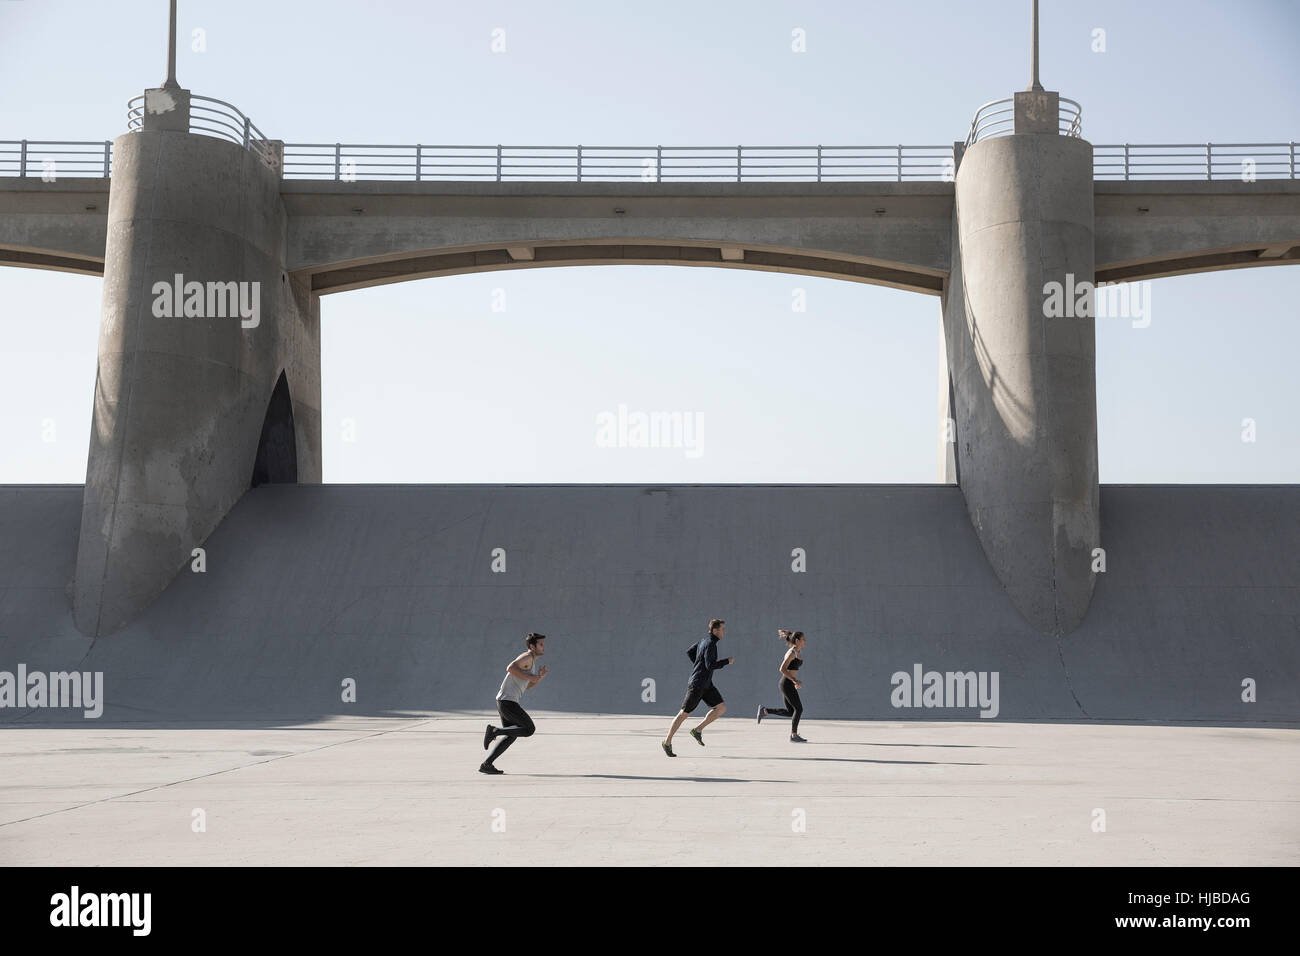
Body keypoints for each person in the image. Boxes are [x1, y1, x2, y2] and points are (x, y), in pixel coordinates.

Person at [662, 618, 733, 757]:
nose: (724, 631)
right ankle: (667, 742)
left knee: (721, 707)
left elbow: (690, 652)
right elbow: (710, 665)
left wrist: (698, 665)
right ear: (715, 630)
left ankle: (698, 730)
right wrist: (727, 661)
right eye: (722, 629)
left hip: (706, 684)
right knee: (684, 714)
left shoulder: (703, 641)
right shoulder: (711, 644)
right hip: (697, 684)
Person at [480, 633, 548, 774]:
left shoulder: (532, 663)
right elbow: (510, 668)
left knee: (511, 735)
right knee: (529, 729)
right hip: (507, 701)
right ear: (532, 646)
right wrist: (531, 676)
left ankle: (487, 764)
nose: (543, 647)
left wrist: (538, 678)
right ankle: (495, 731)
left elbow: (527, 686)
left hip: (505, 701)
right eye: (540, 644)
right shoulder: (527, 657)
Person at [757, 629, 806, 742]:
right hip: (786, 683)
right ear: (797, 641)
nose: (805, 641)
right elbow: (782, 669)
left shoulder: (798, 652)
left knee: (791, 712)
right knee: (798, 709)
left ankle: (765, 711)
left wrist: (795, 681)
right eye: (803, 639)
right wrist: (794, 680)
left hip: (789, 683)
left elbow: (793, 669)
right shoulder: (792, 653)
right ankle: (793, 736)